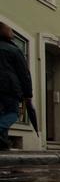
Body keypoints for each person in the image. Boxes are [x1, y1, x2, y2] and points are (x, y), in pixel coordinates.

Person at [0, 22, 32, 151]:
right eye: (11, 31)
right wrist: (28, 94)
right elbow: (24, 74)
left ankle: (2, 144)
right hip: (9, 88)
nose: (13, 33)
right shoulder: (13, 49)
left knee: (2, 114)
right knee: (13, 114)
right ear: (7, 33)